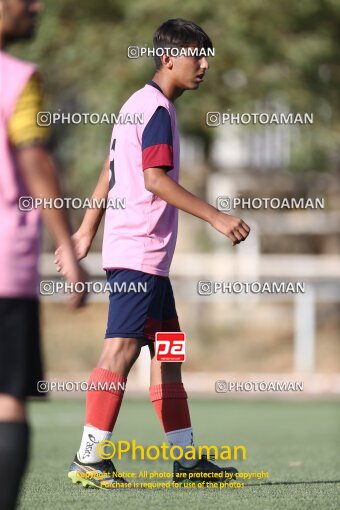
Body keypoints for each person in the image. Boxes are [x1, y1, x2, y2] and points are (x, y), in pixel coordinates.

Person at [55, 18, 250, 490]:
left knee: (168, 353)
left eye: (207, 56)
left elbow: (109, 170)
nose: (203, 65)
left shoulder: (135, 105)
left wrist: (84, 231)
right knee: (119, 350)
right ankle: (89, 458)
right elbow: (152, 179)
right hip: (139, 253)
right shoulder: (157, 108)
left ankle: (185, 461)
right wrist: (216, 217)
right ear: (168, 57)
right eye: (195, 55)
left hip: (145, 259)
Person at [0, 1, 87, 508]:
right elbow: (36, 163)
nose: (37, 7)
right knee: (8, 399)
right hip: (5, 269)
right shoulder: (18, 79)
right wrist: (68, 247)